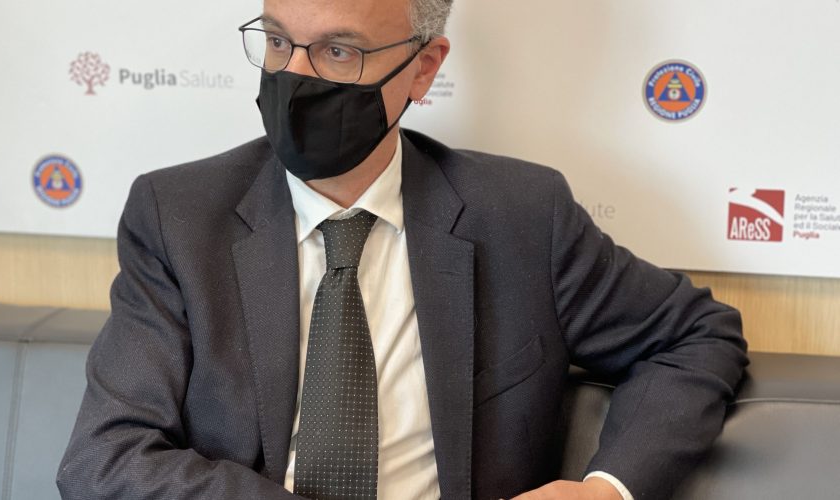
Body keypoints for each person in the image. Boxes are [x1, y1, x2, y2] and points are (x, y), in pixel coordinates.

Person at [56, 0, 748, 498]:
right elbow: (105, 458)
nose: (295, 76)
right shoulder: (179, 218)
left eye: (339, 51)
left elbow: (695, 335)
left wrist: (605, 489)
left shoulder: (522, 217)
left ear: (423, 69)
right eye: (277, 41)